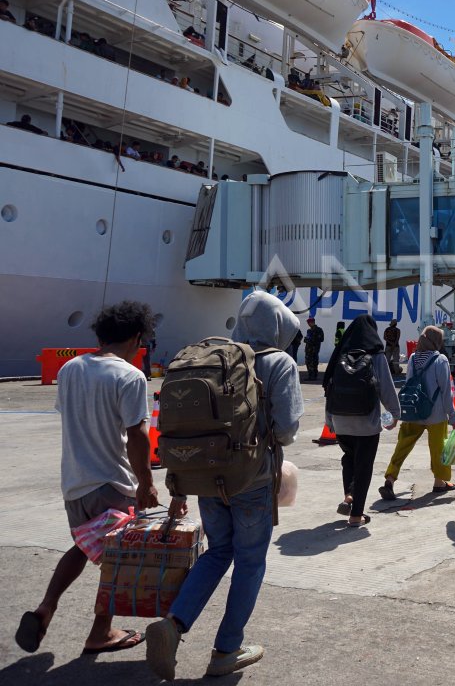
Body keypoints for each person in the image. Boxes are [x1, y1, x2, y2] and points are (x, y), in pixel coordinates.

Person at [145, 291, 302, 679]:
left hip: (206, 477)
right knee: (250, 562)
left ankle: (174, 623)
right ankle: (227, 649)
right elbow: (285, 430)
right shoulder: (279, 362)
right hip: (252, 479)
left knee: (218, 553)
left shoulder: (219, 360)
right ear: (279, 326)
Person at [16, 302, 157, 657]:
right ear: (137, 337)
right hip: (110, 483)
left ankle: (46, 607)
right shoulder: (129, 376)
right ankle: (101, 632)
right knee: (120, 562)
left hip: (74, 485)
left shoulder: (69, 369)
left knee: (83, 546)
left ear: (100, 334)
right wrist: (146, 482)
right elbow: (137, 435)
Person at [323, 315, 400, 527]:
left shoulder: (341, 353)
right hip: (366, 423)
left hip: (340, 420)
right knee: (363, 466)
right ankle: (356, 515)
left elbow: (330, 388)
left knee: (348, 458)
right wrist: (393, 414)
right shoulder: (376, 355)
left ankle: (349, 495)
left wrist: (329, 420)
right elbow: (386, 388)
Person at [379, 325, 455, 499]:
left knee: (402, 446)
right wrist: (453, 416)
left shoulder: (413, 358)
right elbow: (446, 392)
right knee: (439, 448)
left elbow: (408, 384)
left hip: (413, 411)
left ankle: (390, 479)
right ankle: (439, 482)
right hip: (436, 414)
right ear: (436, 341)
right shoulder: (441, 360)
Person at [303, 317, 324, 381]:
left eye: (309, 323)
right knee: (309, 363)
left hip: (314, 350)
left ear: (312, 322)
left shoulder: (318, 330)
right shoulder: (309, 330)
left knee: (313, 363)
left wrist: (311, 340)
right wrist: (307, 340)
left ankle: (313, 376)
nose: (308, 324)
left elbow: (321, 339)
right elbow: (306, 339)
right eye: (308, 323)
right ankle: (311, 376)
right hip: (308, 350)